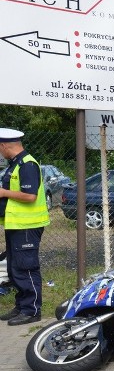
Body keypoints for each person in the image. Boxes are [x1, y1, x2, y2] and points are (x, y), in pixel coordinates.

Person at [0, 128, 50, 325]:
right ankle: (22, 306)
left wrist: (3, 193)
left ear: (4, 145)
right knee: (14, 268)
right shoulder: (15, 164)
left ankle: (31, 311)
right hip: (16, 224)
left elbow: (30, 196)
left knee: (25, 268)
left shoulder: (27, 164)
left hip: (28, 226)